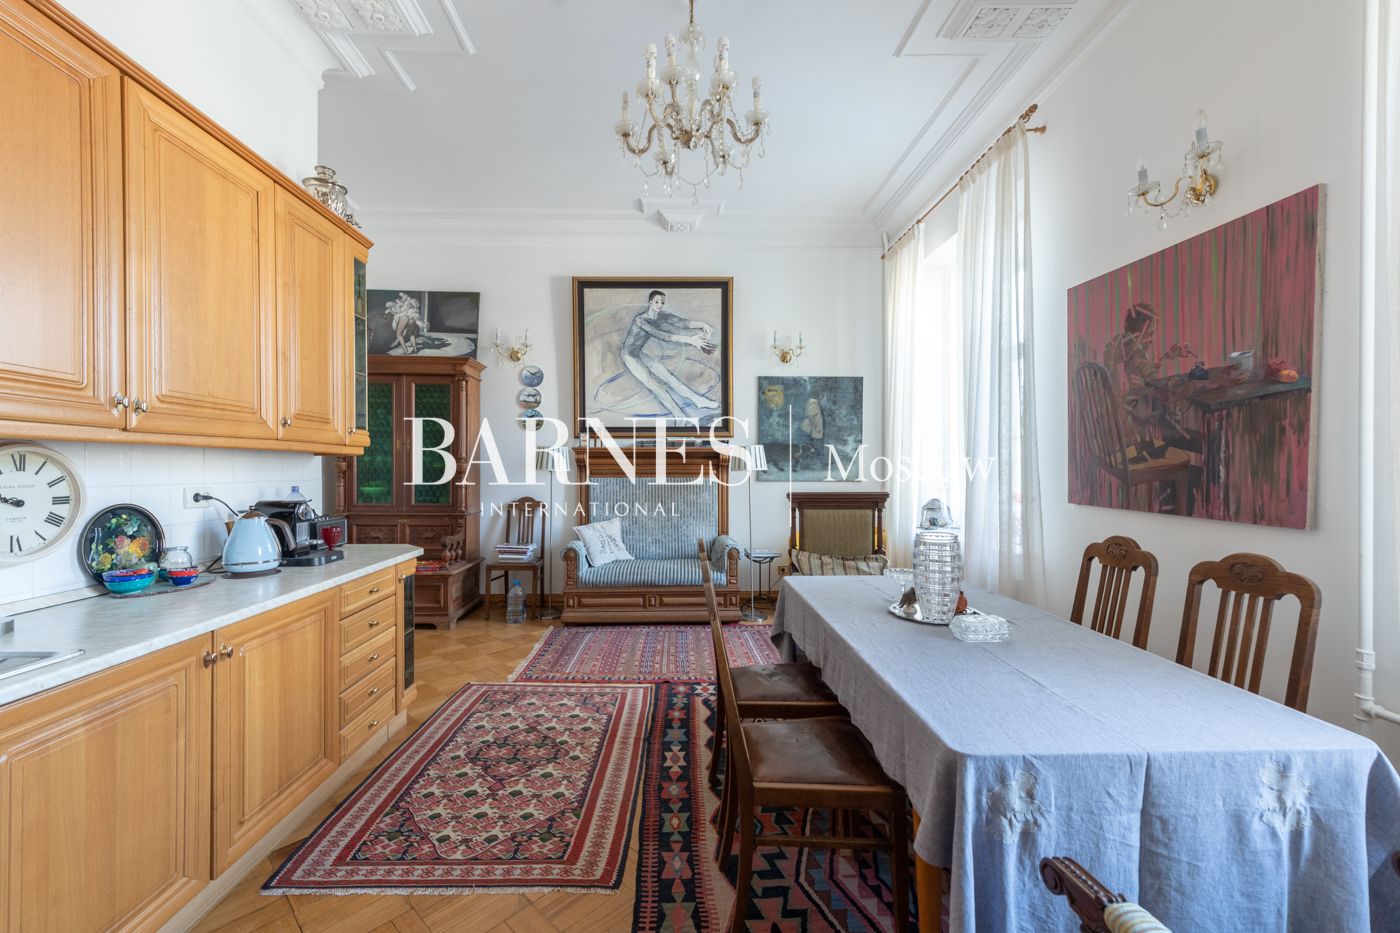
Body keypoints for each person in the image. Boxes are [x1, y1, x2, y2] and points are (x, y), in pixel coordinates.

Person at [1102, 302, 1196, 451]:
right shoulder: (1134, 349)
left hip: (1113, 417)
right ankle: (1187, 446)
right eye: (1152, 329)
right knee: (1175, 405)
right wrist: (1168, 359)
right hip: (1128, 420)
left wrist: (1167, 356)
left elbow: (1142, 374)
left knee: (1167, 406)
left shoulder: (1118, 342)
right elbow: (1152, 381)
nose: (1153, 335)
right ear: (1145, 325)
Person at [618, 290, 720, 418]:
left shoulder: (662, 316)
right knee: (655, 386)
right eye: (657, 302)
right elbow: (660, 335)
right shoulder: (640, 320)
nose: (660, 305)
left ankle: (699, 401)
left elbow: (682, 322)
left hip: (639, 353)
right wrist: (689, 340)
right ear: (650, 302)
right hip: (628, 356)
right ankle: (680, 417)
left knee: (669, 378)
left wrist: (702, 324)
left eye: (662, 302)